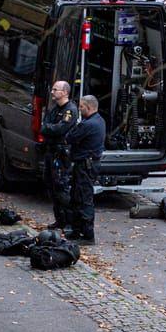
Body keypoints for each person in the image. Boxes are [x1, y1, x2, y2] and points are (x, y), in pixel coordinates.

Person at [64, 94, 106, 244]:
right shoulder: (99, 120)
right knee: (77, 196)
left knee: (84, 199)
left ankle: (88, 235)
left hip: (85, 165)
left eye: (81, 106)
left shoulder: (87, 125)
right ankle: (77, 231)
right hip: (88, 164)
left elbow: (70, 137)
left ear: (88, 107)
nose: (79, 109)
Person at [40, 79, 78, 230]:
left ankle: (69, 221)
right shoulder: (55, 109)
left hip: (62, 154)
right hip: (51, 151)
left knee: (61, 187)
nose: (52, 92)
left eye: (56, 90)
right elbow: (45, 125)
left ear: (65, 92)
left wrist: (49, 128)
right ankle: (59, 219)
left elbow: (60, 129)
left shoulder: (70, 110)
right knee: (51, 185)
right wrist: (49, 128)